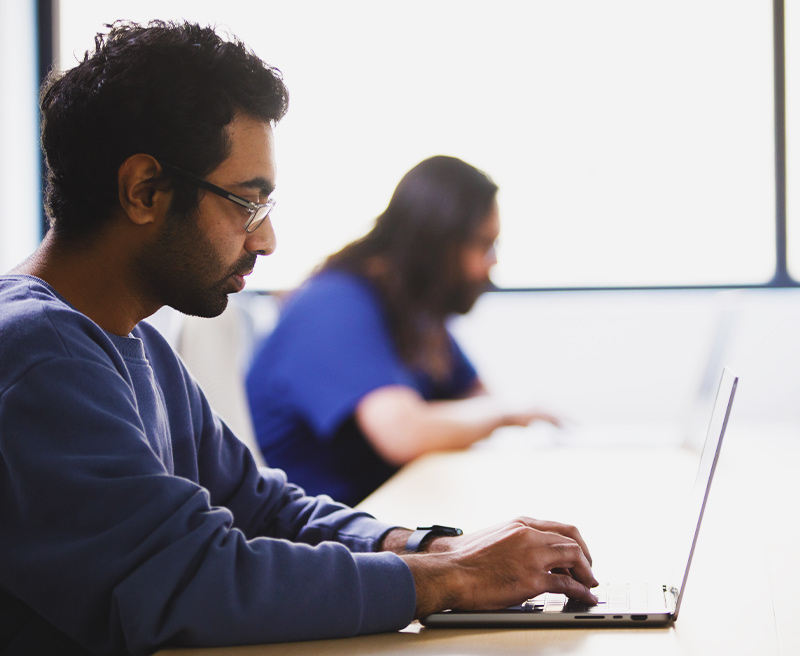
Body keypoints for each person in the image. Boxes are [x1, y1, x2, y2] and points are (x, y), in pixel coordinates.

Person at [0, 20, 597, 656]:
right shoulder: (39, 354)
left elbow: (263, 507)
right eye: (245, 203)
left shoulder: (132, 342)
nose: (265, 240)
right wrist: (454, 579)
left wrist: (429, 545)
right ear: (144, 191)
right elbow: (190, 582)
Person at [246, 156, 559, 506]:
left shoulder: (414, 314)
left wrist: (493, 413)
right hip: (309, 539)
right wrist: (508, 414)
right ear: (437, 242)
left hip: (375, 516)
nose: (492, 263)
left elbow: (476, 397)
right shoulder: (335, 304)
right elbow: (405, 434)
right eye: (483, 245)